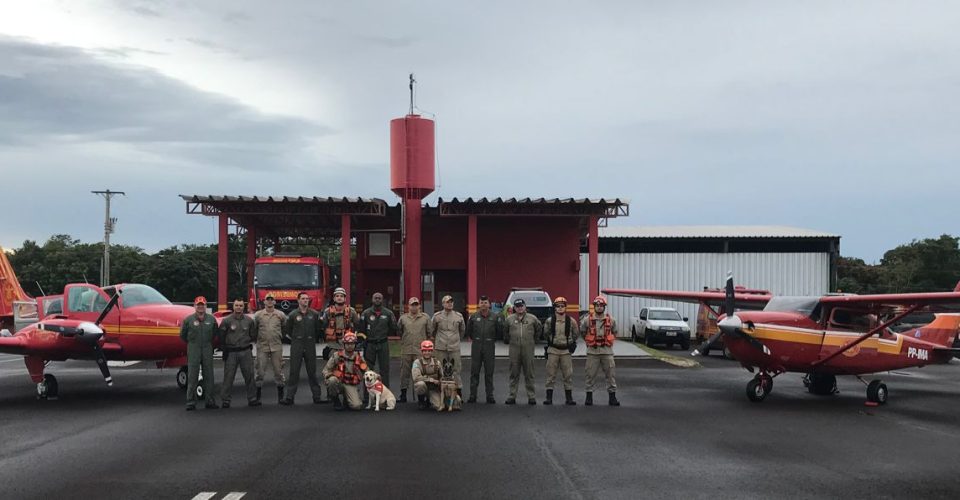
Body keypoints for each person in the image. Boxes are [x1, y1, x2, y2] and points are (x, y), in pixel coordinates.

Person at [280, 292, 323, 405]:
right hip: (297, 344)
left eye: (307, 299)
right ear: (298, 300)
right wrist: (295, 338)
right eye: (303, 299)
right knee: (294, 371)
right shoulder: (293, 314)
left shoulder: (314, 314)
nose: (305, 300)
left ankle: (317, 396)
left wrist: (312, 338)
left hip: (309, 343)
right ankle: (289, 397)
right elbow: (287, 330)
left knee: (312, 371)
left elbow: (318, 329)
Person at [218, 299, 259, 408]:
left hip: (245, 351)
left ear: (243, 307)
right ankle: (225, 400)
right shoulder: (226, 321)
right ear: (233, 306)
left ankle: (252, 398)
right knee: (228, 377)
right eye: (236, 305)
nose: (239, 308)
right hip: (231, 352)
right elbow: (221, 336)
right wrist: (224, 349)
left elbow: (253, 335)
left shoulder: (249, 321)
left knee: (249, 375)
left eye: (241, 306)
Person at [179, 296, 217, 411]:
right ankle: (191, 402)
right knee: (192, 375)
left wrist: (207, 344)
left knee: (209, 375)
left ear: (206, 306)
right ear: (194, 306)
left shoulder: (211, 319)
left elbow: (214, 333)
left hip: (207, 348)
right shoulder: (188, 320)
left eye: (202, 305)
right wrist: (192, 344)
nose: (200, 307)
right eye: (198, 305)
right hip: (193, 348)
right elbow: (183, 335)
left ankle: (210, 401)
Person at [580, 295, 620, 406]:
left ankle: (612, 398)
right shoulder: (587, 320)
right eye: (597, 305)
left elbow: (615, 332)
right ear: (594, 307)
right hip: (592, 352)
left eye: (601, 305)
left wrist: (608, 341)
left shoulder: (611, 320)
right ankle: (589, 397)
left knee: (611, 374)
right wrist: (590, 342)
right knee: (590, 374)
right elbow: (583, 332)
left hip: (607, 351)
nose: (599, 307)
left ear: (604, 307)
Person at [503, 298, 542, 405]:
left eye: (521, 306)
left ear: (525, 307)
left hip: (528, 349)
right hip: (514, 349)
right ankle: (512, 396)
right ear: (514, 308)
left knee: (529, 373)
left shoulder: (532, 318)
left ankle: (531, 396)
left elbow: (539, 329)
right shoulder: (509, 319)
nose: (520, 308)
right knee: (513, 373)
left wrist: (535, 340)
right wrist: (508, 341)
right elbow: (505, 332)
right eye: (517, 306)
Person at [543, 296, 579, 405]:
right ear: (554, 308)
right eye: (557, 306)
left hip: (566, 351)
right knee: (550, 375)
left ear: (565, 307)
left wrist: (569, 343)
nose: (560, 308)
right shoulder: (550, 321)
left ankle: (569, 398)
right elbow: (546, 334)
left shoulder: (571, 321)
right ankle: (549, 398)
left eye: (562, 306)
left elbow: (576, 334)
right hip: (553, 350)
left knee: (568, 375)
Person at [466, 295, 501, 404]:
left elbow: (499, 331)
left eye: (485, 302)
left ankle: (490, 396)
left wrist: (491, 340)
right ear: (479, 304)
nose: (483, 304)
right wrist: (476, 339)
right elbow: (469, 331)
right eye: (481, 302)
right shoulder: (473, 317)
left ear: (489, 304)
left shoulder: (495, 317)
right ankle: (473, 395)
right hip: (476, 346)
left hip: (489, 346)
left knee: (489, 373)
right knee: (474, 372)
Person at [359, 292, 397, 391]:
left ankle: (384, 394)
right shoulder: (366, 313)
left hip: (383, 343)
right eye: (375, 298)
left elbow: (393, 327)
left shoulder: (388, 313)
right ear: (372, 300)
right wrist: (363, 343)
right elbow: (361, 330)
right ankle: (367, 397)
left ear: (382, 300)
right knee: (368, 370)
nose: (377, 300)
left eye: (379, 298)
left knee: (384, 370)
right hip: (370, 344)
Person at [253, 293, 286, 404]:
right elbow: (255, 328)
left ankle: (281, 396)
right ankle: (258, 396)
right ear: (264, 301)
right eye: (268, 299)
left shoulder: (280, 315)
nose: (270, 301)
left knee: (278, 371)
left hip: (276, 346)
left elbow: (284, 327)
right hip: (262, 346)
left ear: (275, 302)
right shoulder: (258, 315)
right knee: (260, 371)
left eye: (272, 300)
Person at [322, 331, 368, 411]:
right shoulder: (336, 356)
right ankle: (335, 400)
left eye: (352, 344)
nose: (350, 346)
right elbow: (325, 370)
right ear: (344, 344)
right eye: (348, 344)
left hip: (350, 384)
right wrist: (329, 376)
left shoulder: (358, 357)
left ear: (355, 344)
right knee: (332, 381)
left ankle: (347, 399)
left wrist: (370, 376)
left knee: (356, 406)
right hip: (338, 382)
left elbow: (367, 371)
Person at [397, 296, 431, 403]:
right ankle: (403, 395)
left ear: (419, 306)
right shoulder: (403, 318)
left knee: (421, 373)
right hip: (406, 349)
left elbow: (429, 333)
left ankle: (421, 396)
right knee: (404, 373)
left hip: (420, 351)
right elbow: (399, 331)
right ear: (408, 306)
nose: (414, 307)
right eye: (412, 305)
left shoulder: (425, 318)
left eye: (416, 305)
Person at [431, 295, 465, 396]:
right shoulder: (437, 316)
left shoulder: (459, 316)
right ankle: (439, 392)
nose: (450, 304)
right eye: (447, 302)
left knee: (456, 369)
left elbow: (462, 330)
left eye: (451, 302)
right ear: (442, 304)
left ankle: (458, 392)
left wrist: (456, 339)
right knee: (439, 369)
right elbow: (433, 330)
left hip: (454, 347)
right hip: (441, 347)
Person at [412, 340, 442, 410]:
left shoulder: (437, 363)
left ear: (432, 351)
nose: (427, 353)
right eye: (425, 351)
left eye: (429, 351)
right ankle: (421, 401)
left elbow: (442, 376)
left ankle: (429, 400)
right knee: (420, 384)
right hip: (423, 387)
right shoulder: (417, 363)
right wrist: (431, 380)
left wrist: (440, 381)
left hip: (433, 389)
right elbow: (416, 378)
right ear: (422, 351)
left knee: (438, 406)